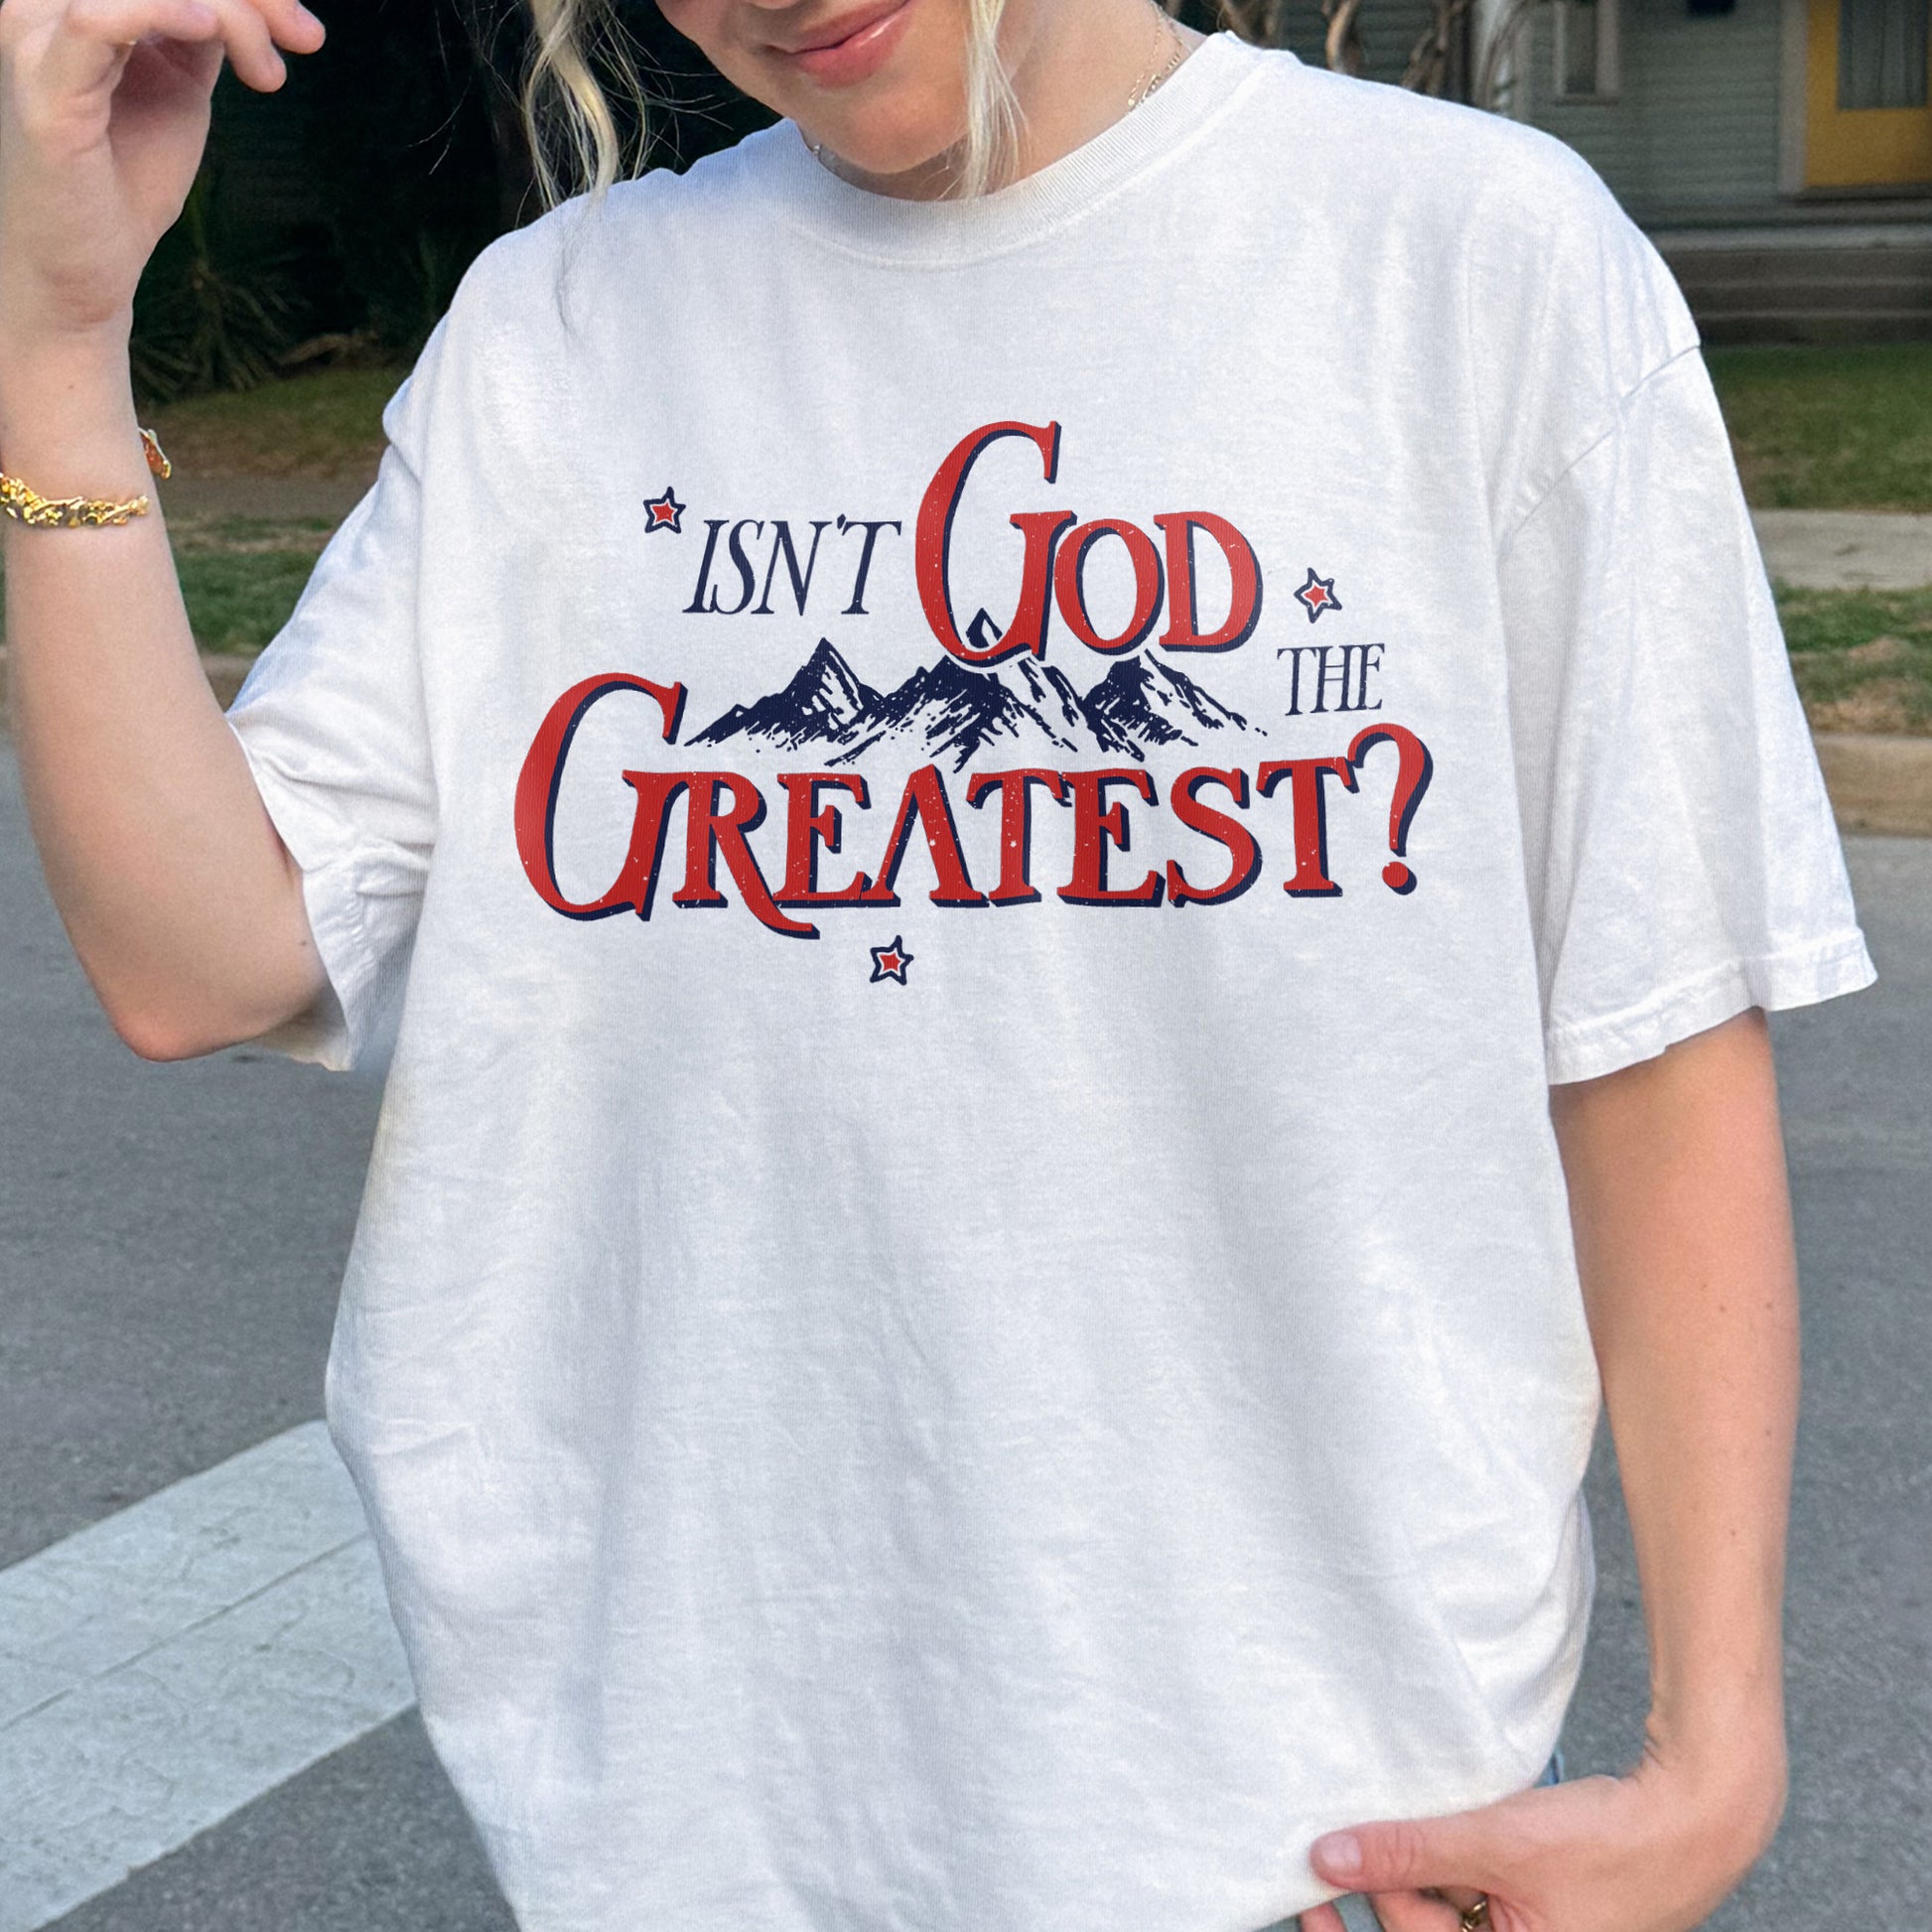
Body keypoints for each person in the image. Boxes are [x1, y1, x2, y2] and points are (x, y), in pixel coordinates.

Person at [0, 0, 1876, 1925]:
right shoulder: (558, 335)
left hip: (1317, 1840)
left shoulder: (1467, 262)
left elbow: (1653, 1045)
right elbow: (198, 959)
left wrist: (1710, 1761)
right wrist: (54, 348)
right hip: (693, 1845)